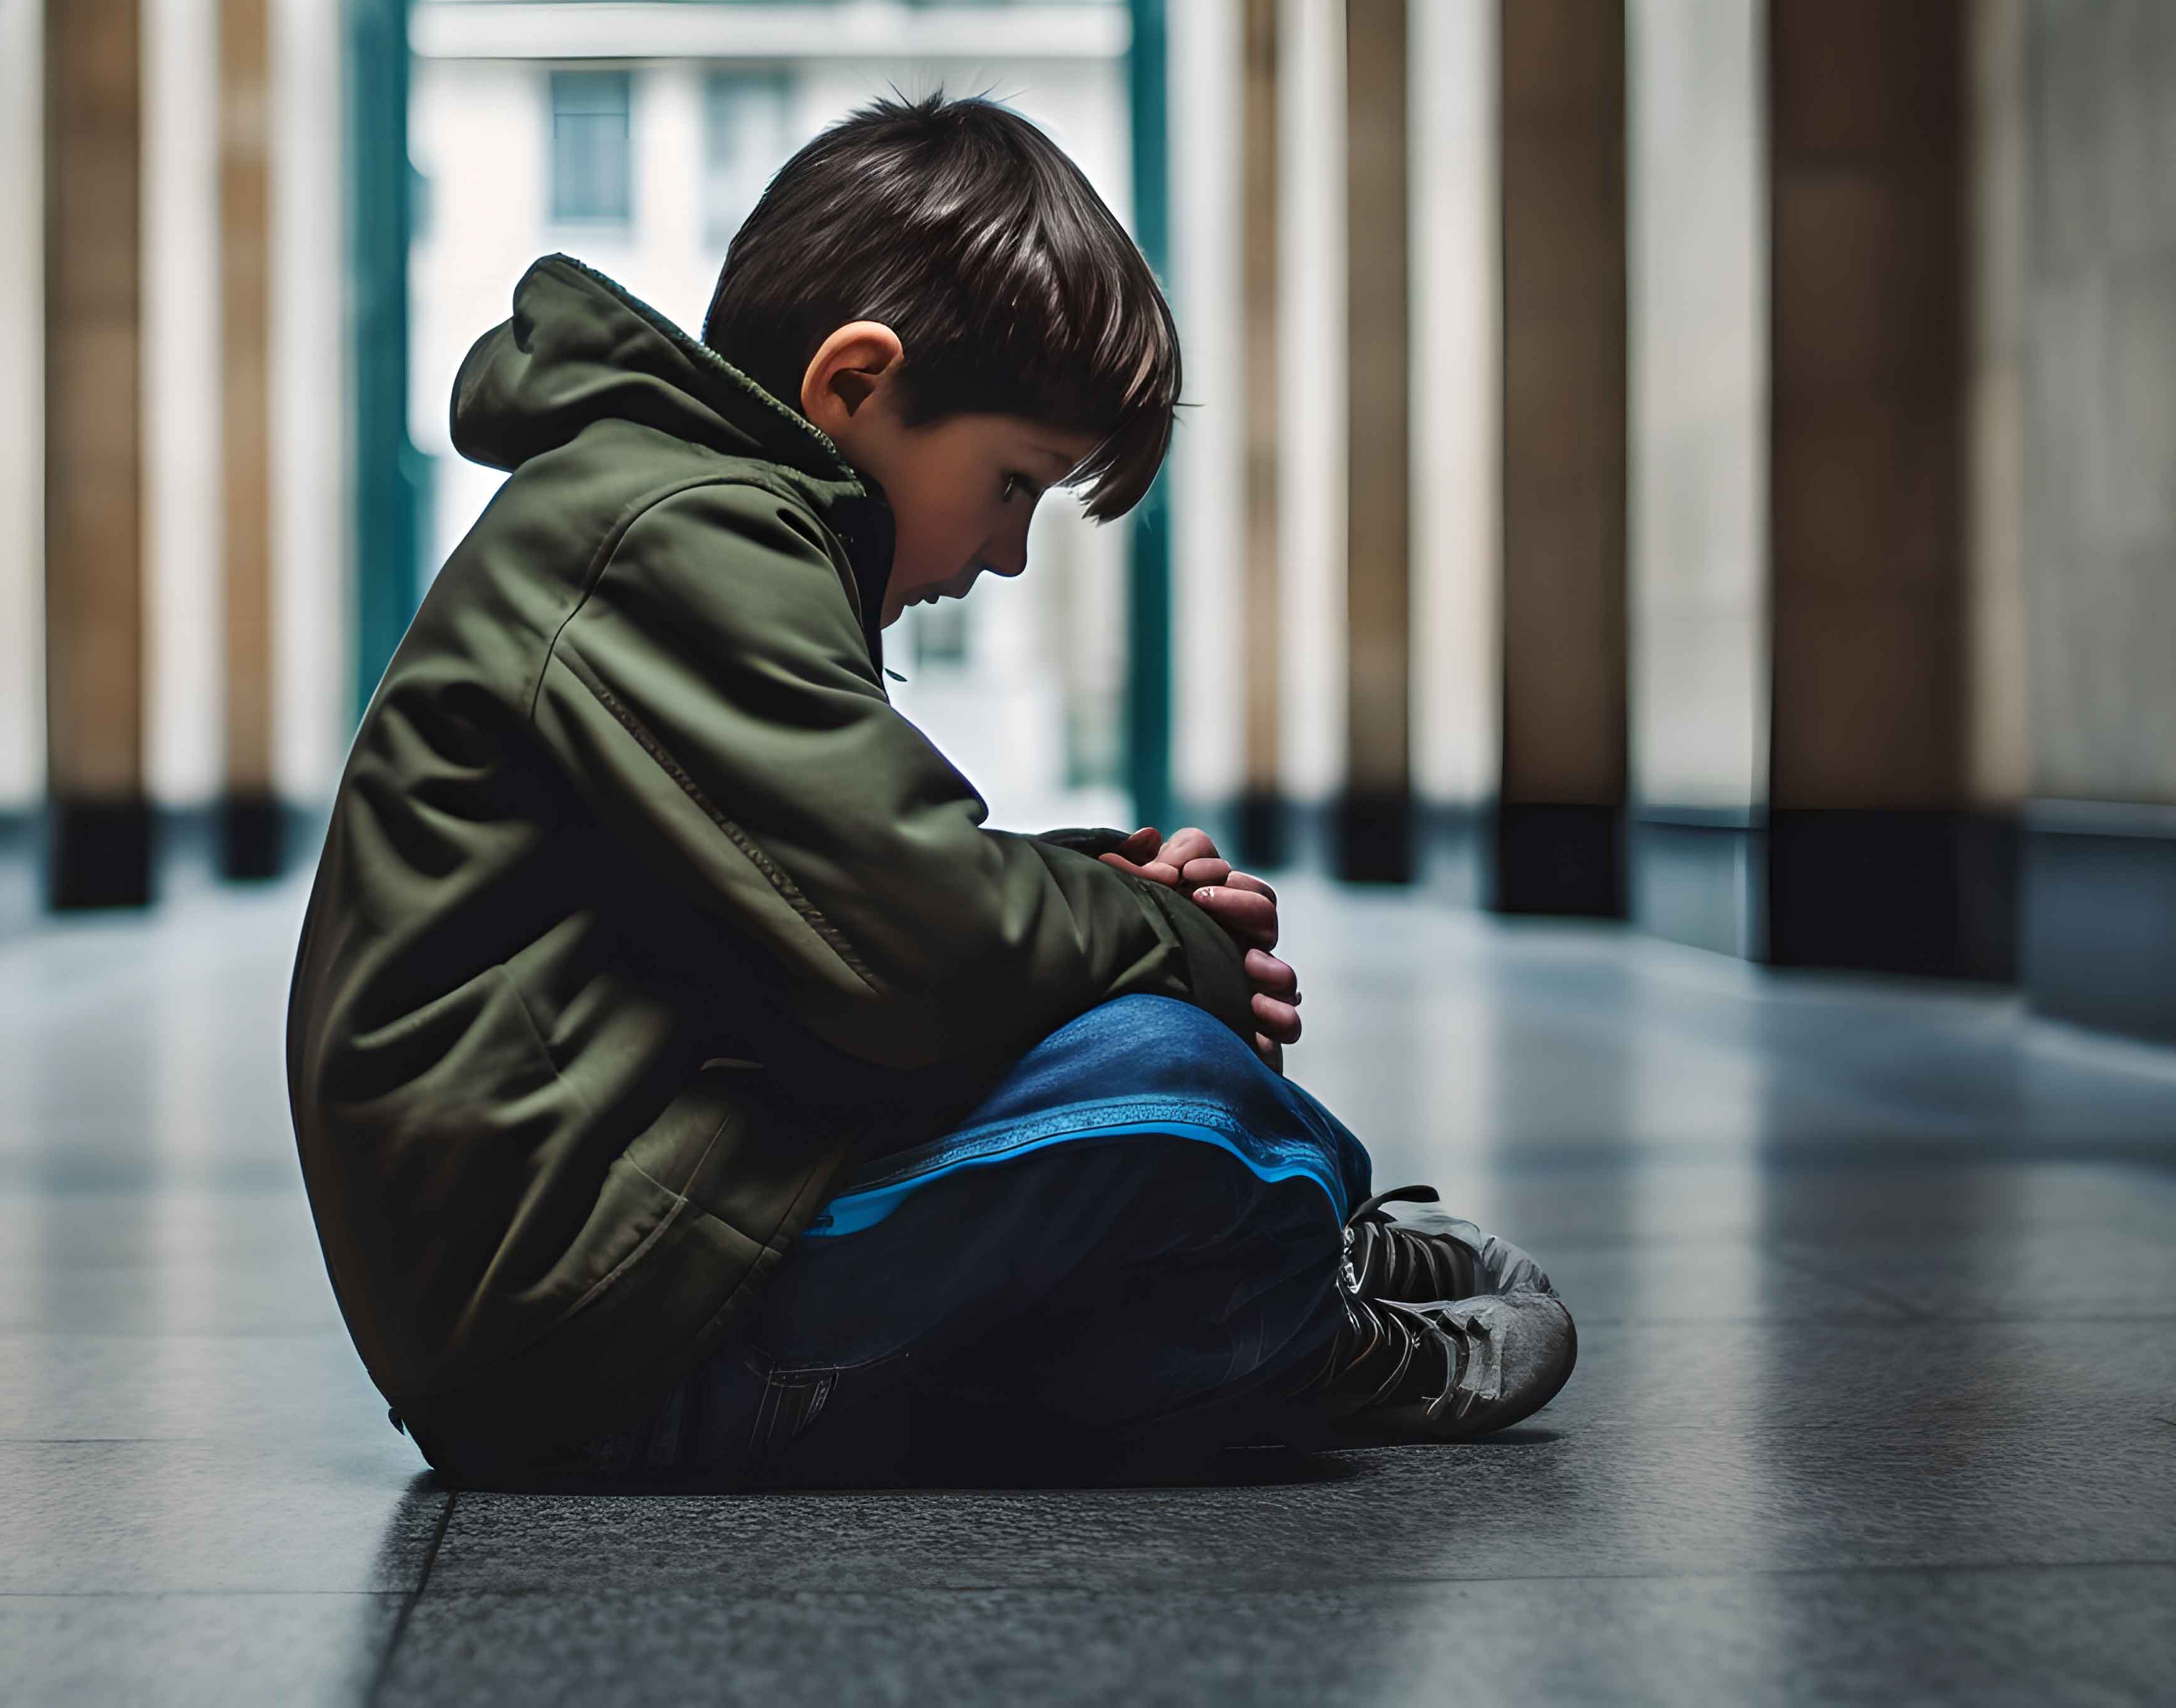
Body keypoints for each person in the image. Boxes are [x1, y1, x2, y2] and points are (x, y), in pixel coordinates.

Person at [284, 89, 1574, 1487]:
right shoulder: (678, 530)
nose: (1008, 554)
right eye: (1013, 484)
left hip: (634, 1237)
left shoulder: (686, 511)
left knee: (1138, 1043)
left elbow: (832, 898)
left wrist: (1104, 893)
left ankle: (1293, 1230)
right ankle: (1300, 1322)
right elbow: (922, 949)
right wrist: (1161, 935)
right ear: (854, 386)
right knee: (1174, 1088)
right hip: (588, 1328)